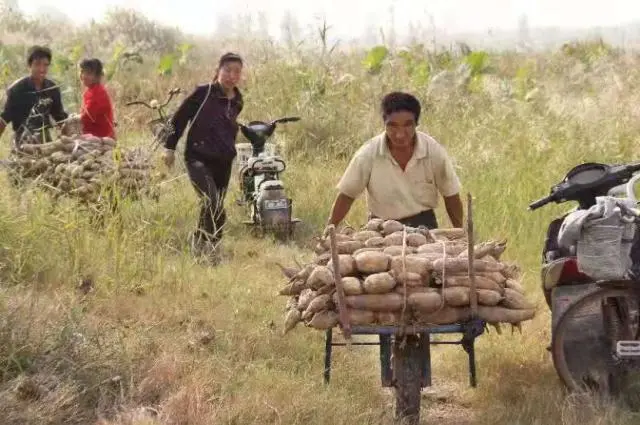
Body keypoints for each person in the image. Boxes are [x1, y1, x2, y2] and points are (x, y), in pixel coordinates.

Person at [327, 91, 464, 231]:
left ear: (416, 124)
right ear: (384, 123)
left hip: (424, 226)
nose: (399, 134)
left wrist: (461, 232)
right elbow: (347, 195)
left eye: (407, 125)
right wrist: (330, 229)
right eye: (392, 126)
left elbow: (451, 195)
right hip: (380, 228)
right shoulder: (367, 154)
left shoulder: (433, 152)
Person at [162, 52, 244, 262]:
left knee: (210, 209)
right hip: (198, 158)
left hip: (223, 162)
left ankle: (203, 248)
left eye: (237, 72)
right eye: (227, 70)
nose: (231, 76)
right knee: (214, 204)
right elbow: (178, 118)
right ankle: (209, 251)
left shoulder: (238, 100)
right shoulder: (203, 93)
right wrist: (169, 148)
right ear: (218, 70)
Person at [0, 45, 69, 147]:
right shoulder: (17, 89)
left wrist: (70, 137)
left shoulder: (52, 88)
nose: (42, 69)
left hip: (46, 143)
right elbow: (4, 119)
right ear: (29, 65)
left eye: (45, 65)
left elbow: (59, 117)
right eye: (37, 64)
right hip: (23, 143)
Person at [79, 58, 116, 139]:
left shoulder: (98, 93)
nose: (83, 76)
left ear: (97, 76)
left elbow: (86, 118)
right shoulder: (90, 90)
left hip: (100, 138)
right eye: (82, 71)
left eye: (88, 73)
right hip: (91, 135)